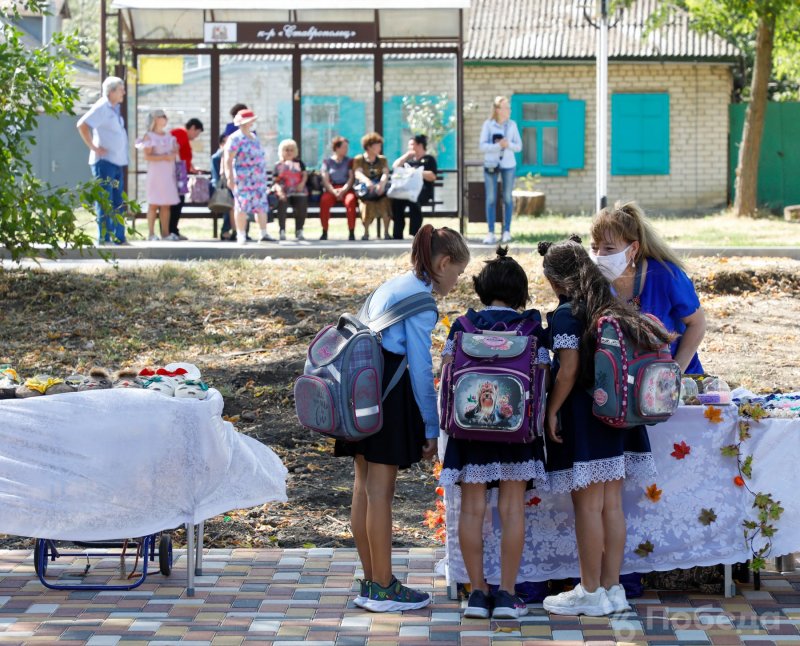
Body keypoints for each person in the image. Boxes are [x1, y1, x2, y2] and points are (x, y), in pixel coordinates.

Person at [335, 224, 471, 612]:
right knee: (382, 494)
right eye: (458, 272)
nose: (457, 281)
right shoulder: (422, 302)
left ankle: (371, 580)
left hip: (360, 393)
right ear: (443, 262)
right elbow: (418, 367)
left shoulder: (393, 285)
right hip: (389, 400)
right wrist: (431, 426)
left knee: (362, 488)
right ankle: (383, 586)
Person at [537, 236, 670, 617]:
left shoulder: (566, 314)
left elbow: (569, 370)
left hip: (586, 418)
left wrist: (551, 410)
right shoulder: (609, 305)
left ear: (556, 281)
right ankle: (613, 588)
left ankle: (590, 591)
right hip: (620, 416)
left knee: (588, 507)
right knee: (612, 506)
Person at [439, 246, 550, 620]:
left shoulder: (463, 326)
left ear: (482, 289)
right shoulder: (532, 327)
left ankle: (476, 594)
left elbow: (445, 380)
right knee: (512, 510)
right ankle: (506, 594)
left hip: (469, 431)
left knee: (471, 512)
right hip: (517, 434)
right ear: (521, 292)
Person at [589, 201, 707, 374]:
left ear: (633, 249)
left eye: (609, 248)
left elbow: (697, 323)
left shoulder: (665, 275)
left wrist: (675, 372)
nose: (600, 256)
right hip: (624, 387)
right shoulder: (597, 283)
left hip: (679, 384)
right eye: (594, 248)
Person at [76, 76, 129, 245]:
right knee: (106, 200)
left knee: (118, 200)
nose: (124, 93)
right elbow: (82, 124)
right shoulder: (102, 107)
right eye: (121, 89)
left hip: (117, 161)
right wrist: (93, 147)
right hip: (104, 162)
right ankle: (104, 237)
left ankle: (119, 237)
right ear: (112, 91)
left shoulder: (115, 108)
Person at [223, 109, 272, 245]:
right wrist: (230, 177)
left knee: (261, 206)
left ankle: (263, 233)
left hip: (258, 179)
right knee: (241, 206)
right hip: (243, 179)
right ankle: (241, 234)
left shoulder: (254, 137)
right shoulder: (235, 138)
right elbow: (228, 159)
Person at [479, 96, 522, 245]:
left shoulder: (512, 125)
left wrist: (507, 144)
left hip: (509, 165)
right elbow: (482, 146)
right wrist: (498, 145)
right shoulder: (488, 125)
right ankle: (490, 232)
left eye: (509, 107)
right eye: (506, 107)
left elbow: (519, 146)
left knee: (508, 198)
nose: (509, 110)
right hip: (491, 164)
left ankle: (507, 231)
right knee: (491, 198)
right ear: (498, 109)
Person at [136, 109, 178, 241]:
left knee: (166, 204)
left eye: (165, 117)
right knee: (153, 204)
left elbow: (174, 153)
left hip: (168, 173)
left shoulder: (169, 137)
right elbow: (147, 156)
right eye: (162, 116)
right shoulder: (149, 136)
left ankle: (165, 233)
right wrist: (163, 157)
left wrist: (173, 154)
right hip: (156, 174)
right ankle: (151, 233)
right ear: (155, 119)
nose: (165, 119)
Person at [390, 134, 438, 240]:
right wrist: (406, 156)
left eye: (411, 144)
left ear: (420, 145)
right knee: (396, 201)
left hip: (422, 191)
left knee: (413, 200)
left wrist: (417, 172)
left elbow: (432, 176)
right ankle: (397, 234)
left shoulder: (429, 159)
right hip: (406, 190)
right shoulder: (409, 161)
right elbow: (395, 166)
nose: (409, 147)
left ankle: (415, 234)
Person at [167, 117, 204, 241]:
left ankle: (174, 230)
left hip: (182, 170)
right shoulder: (180, 133)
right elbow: (174, 152)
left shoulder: (182, 135)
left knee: (179, 201)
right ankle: (171, 230)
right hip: (178, 170)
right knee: (177, 201)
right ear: (192, 128)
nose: (196, 137)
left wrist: (191, 167)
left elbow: (183, 155)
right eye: (197, 133)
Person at [353, 132, 391, 241]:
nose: (380, 147)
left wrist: (381, 184)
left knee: (385, 202)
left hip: (380, 190)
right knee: (366, 204)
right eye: (377, 145)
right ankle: (366, 233)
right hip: (366, 192)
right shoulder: (359, 159)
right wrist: (368, 182)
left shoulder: (382, 159)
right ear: (369, 146)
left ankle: (387, 233)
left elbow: (385, 173)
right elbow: (358, 173)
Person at [319, 136, 357, 241]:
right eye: (344, 147)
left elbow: (351, 177)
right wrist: (333, 191)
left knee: (351, 201)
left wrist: (344, 190)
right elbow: (325, 179)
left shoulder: (350, 161)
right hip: (332, 188)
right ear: (336, 148)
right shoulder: (327, 162)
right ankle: (324, 231)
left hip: (346, 188)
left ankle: (352, 231)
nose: (346, 149)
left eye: (347, 147)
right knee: (324, 201)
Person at [272, 138, 308, 241]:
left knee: (302, 203)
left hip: (298, 190)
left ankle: (299, 230)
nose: (289, 152)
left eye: (291, 150)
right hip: (284, 191)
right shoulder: (278, 165)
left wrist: (301, 184)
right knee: (282, 203)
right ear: (281, 151)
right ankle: (282, 230)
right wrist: (280, 192)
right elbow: (276, 181)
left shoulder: (299, 163)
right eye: (286, 150)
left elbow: (304, 175)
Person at [211, 133, 236, 241]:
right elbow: (218, 178)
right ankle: (227, 230)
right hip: (220, 188)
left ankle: (236, 230)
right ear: (222, 144)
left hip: (231, 187)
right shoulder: (218, 156)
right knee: (231, 202)